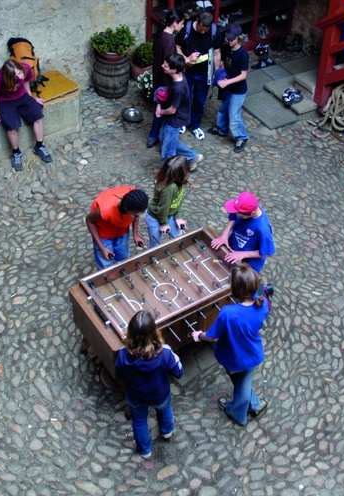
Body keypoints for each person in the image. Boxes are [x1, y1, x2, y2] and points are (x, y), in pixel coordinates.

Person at [190, 266, 269, 426]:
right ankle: (256, 404)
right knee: (245, 380)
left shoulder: (228, 313)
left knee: (241, 385)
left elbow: (212, 337)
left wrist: (199, 335)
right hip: (253, 353)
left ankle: (237, 413)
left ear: (235, 289)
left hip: (235, 358)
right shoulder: (264, 303)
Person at [115, 310, 184, 460]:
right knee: (165, 411)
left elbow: (119, 373)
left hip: (135, 396)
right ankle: (166, 431)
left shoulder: (122, 354)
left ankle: (145, 450)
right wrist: (177, 359)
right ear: (154, 332)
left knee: (139, 421)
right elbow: (178, 373)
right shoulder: (165, 353)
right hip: (160, 394)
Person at [0, 59, 53, 171]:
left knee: (38, 115)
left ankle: (39, 146)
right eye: (16, 75)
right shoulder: (0, 76)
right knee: (11, 125)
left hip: (21, 95)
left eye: (20, 73)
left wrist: (30, 97)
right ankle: (16, 153)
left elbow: (26, 82)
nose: (20, 76)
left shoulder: (26, 68)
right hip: (4, 100)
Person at [176, 11, 223, 140]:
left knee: (200, 101)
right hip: (188, 71)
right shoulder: (187, 29)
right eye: (200, 29)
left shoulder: (214, 32)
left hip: (204, 72)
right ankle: (183, 122)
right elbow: (177, 46)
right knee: (186, 98)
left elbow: (217, 53)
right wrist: (185, 59)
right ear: (198, 21)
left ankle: (195, 125)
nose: (202, 33)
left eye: (205, 31)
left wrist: (216, 72)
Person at [155, 54, 203, 169]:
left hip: (174, 120)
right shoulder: (179, 75)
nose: (162, 66)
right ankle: (192, 157)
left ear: (174, 70)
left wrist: (160, 111)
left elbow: (172, 110)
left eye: (166, 66)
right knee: (164, 138)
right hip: (172, 118)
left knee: (167, 153)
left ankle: (166, 176)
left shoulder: (178, 89)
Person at [146, 10, 186, 149]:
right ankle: (156, 136)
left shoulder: (161, 35)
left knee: (160, 108)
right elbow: (170, 65)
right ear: (174, 23)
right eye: (181, 24)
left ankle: (154, 136)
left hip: (158, 78)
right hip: (165, 82)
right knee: (162, 110)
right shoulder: (169, 42)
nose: (182, 27)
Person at [208, 24, 250, 153]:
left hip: (238, 90)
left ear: (239, 39)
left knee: (234, 115)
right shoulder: (227, 48)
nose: (229, 41)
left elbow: (243, 75)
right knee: (223, 110)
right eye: (228, 38)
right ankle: (222, 129)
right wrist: (220, 69)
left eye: (232, 39)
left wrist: (227, 82)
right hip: (229, 88)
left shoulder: (243, 55)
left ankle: (241, 137)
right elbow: (222, 59)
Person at [210, 192, 275, 273]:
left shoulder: (263, 229)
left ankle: (261, 286)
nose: (237, 216)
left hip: (248, 263)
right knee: (216, 263)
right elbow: (233, 216)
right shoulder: (244, 206)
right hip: (233, 249)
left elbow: (269, 252)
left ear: (252, 213)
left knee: (239, 281)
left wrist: (243, 254)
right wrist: (225, 235)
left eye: (240, 216)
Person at [86, 186, 148, 269]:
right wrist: (102, 247)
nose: (137, 218)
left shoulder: (137, 199)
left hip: (122, 230)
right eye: (134, 215)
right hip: (104, 234)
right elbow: (89, 220)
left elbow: (136, 217)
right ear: (126, 208)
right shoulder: (106, 210)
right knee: (106, 265)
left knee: (124, 259)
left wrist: (135, 234)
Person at [145, 156, 190, 248]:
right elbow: (162, 208)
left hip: (171, 215)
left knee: (178, 239)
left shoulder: (180, 183)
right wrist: (164, 224)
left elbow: (178, 201)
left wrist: (177, 217)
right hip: (156, 217)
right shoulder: (170, 188)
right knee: (155, 245)